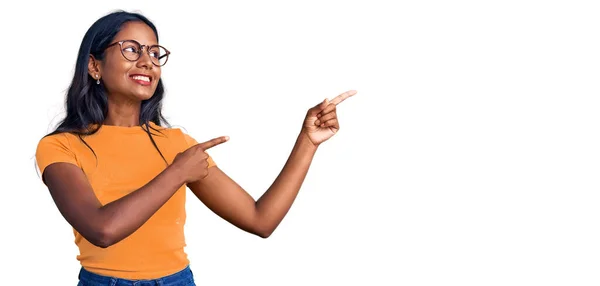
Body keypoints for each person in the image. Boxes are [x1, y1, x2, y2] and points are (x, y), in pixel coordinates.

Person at [35, 10, 356, 285]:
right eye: (131, 49)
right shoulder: (60, 147)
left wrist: (307, 141)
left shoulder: (177, 144)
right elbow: (102, 230)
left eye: (154, 52)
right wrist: (177, 173)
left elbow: (261, 220)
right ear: (94, 66)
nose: (147, 61)